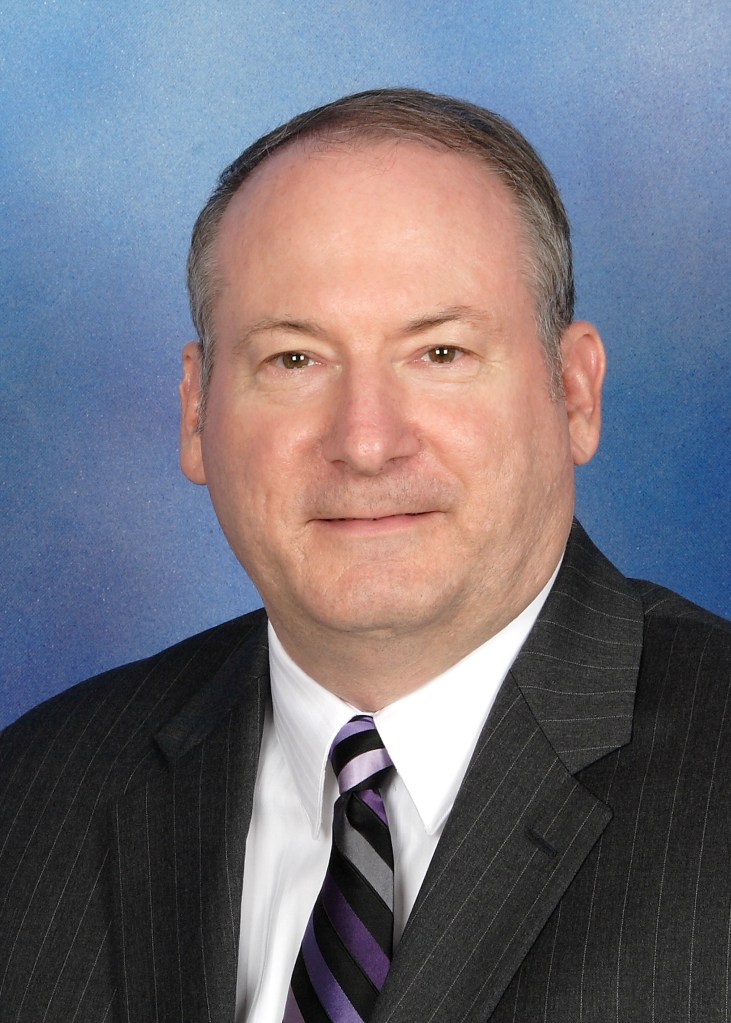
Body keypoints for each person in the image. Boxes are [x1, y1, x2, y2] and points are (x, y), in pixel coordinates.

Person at [0, 88, 728, 1023]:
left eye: (440, 353)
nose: (367, 441)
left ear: (574, 392)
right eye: (294, 360)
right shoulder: (32, 800)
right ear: (196, 411)